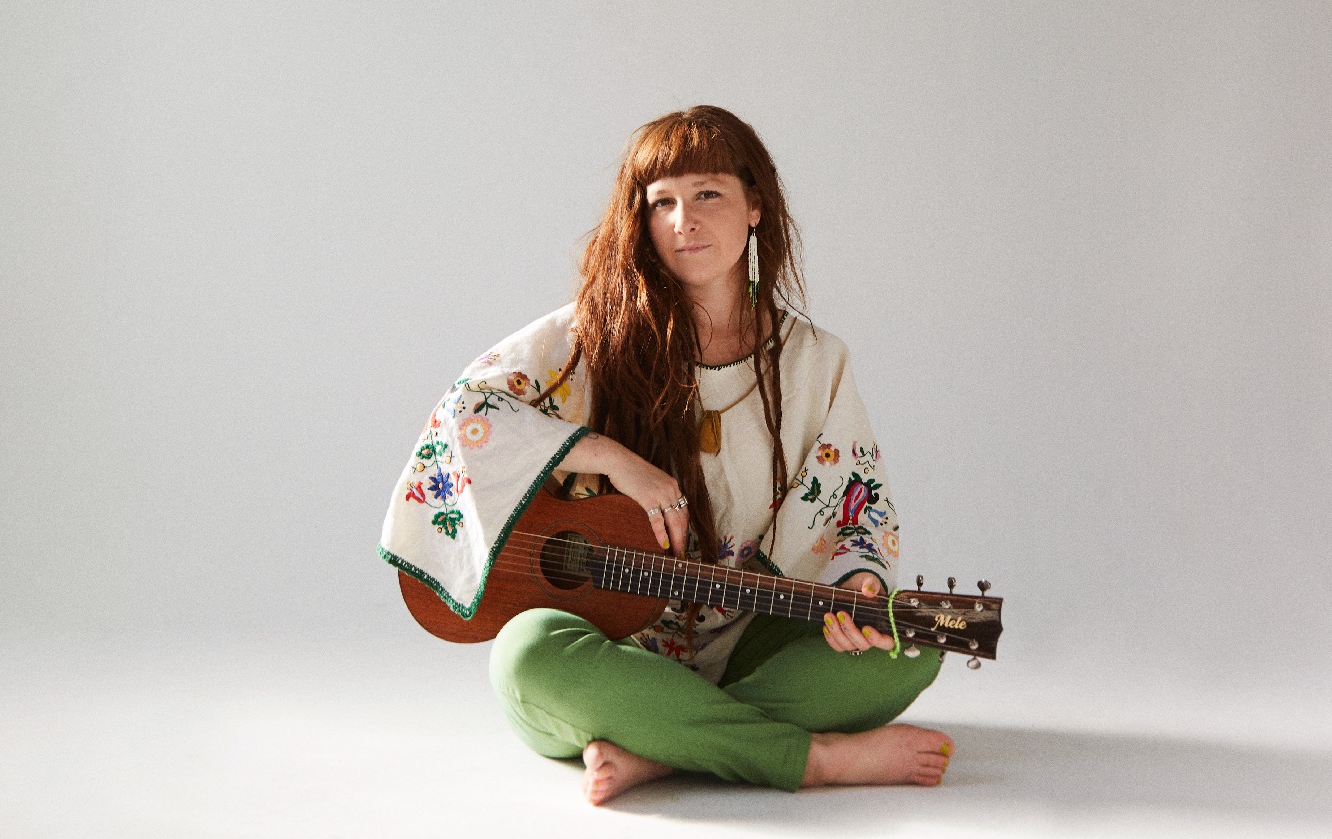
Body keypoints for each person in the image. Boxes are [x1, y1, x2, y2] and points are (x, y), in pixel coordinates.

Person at [380, 106, 952, 805]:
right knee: (526, 657)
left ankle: (660, 746)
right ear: (641, 221)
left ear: (755, 207)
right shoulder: (588, 337)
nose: (686, 219)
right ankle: (811, 759)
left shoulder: (815, 360)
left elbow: (853, 504)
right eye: (663, 202)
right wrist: (609, 456)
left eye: (708, 193)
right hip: (610, 652)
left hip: (748, 638)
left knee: (912, 640)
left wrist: (858, 584)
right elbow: (464, 414)